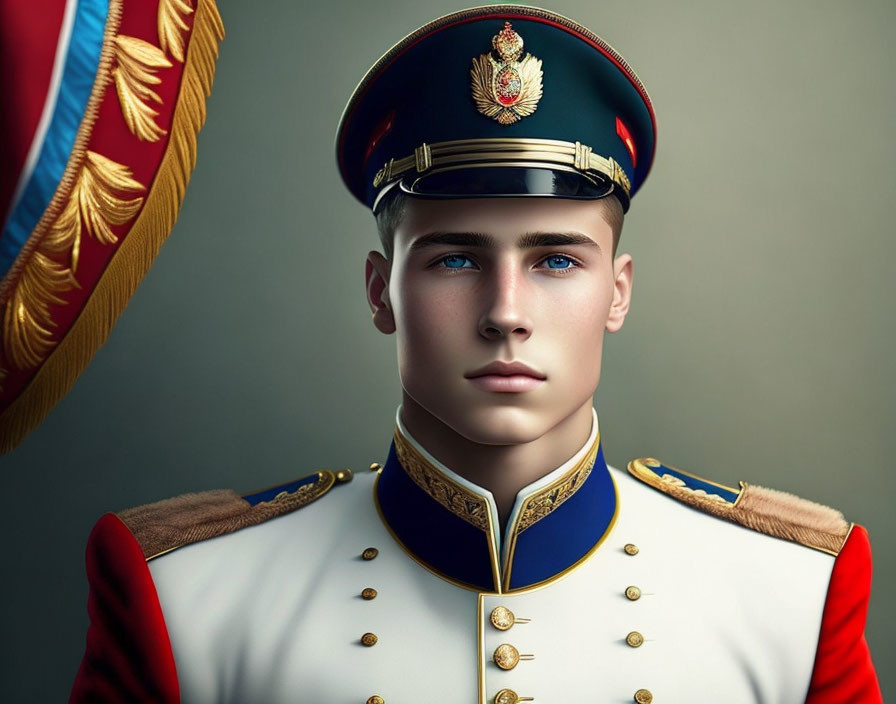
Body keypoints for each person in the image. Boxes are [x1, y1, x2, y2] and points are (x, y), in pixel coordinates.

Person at [71, 5, 882, 703]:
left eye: (556, 260)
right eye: (455, 259)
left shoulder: (792, 590)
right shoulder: (184, 595)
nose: (505, 313)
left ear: (619, 292)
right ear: (380, 291)